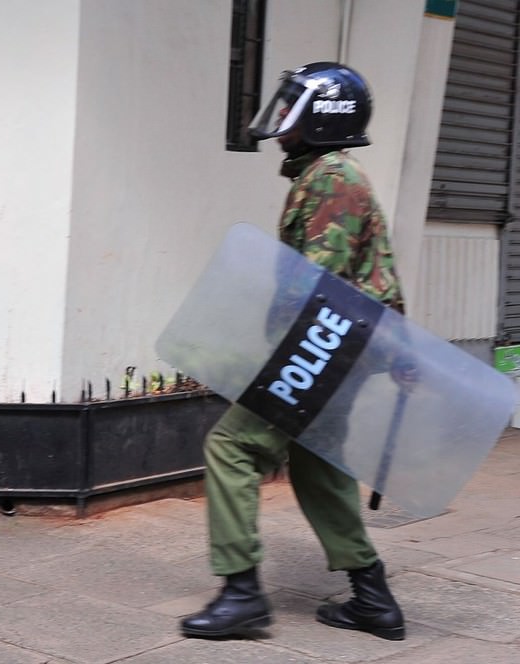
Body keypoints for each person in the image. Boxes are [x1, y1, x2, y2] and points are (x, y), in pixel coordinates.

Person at [179, 63, 406, 641]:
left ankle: (241, 593)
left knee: (231, 447)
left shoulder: (331, 177)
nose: (281, 122)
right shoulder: (328, 173)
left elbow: (319, 290)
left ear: (322, 121)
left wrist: (279, 364)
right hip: (345, 350)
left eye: (292, 111)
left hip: (324, 348)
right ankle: (373, 598)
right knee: (316, 465)